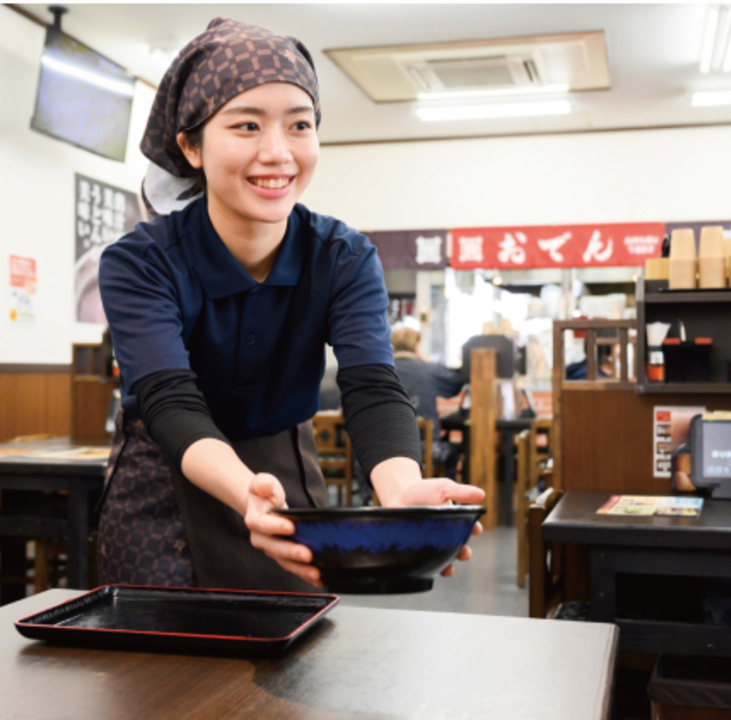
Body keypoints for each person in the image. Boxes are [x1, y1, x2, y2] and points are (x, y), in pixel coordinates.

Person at [96, 18, 484, 592]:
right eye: (246, 125)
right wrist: (242, 490)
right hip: (165, 478)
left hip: (284, 470)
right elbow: (168, 400)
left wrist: (400, 491)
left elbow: (374, 386)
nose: (277, 153)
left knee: (295, 658)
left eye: (299, 125)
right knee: (159, 670)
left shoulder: (343, 256)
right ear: (190, 146)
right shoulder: (141, 261)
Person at [390, 327, 466, 478]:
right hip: (424, 449)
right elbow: (456, 382)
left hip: (387, 449)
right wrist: (424, 359)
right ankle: (445, 499)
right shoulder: (427, 370)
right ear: (416, 346)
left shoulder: (382, 370)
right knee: (452, 452)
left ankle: (368, 498)